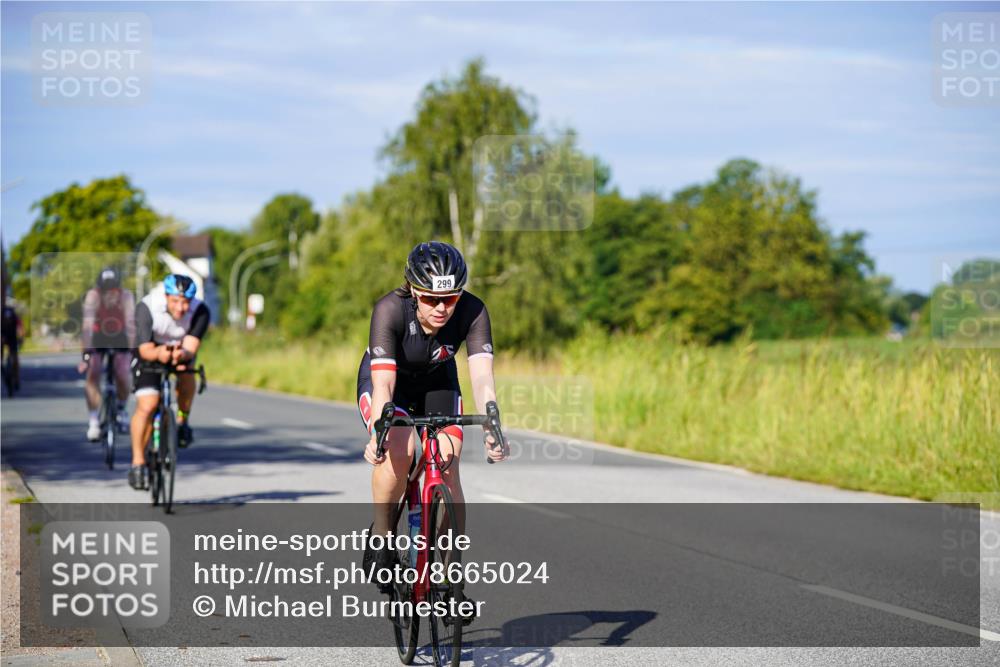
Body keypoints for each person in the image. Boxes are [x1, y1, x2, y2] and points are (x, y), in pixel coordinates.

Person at [359, 241, 509, 574]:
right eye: (430, 298)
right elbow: (383, 384)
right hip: (389, 382)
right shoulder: (390, 309)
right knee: (400, 450)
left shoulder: (474, 311)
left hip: (437, 382)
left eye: (451, 298)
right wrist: (377, 434)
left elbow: (482, 377)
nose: (441, 308)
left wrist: (491, 425)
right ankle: (382, 537)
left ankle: (449, 574)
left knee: (447, 464)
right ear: (413, 290)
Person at [128, 274, 210, 491]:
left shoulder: (200, 311)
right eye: (175, 301)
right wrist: (160, 353)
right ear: (166, 296)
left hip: (179, 349)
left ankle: (182, 421)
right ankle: (137, 463)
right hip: (149, 351)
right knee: (148, 404)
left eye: (185, 302)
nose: (181, 307)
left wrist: (180, 355)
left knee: (186, 372)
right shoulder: (147, 307)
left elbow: (191, 347)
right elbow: (145, 349)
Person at [78, 267, 135, 441]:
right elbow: (87, 328)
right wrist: (86, 356)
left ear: (119, 288)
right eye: (105, 290)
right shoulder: (93, 296)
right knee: (93, 373)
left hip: (120, 336)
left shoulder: (126, 296)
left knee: (123, 373)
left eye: (113, 290)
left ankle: (121, 408)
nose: (110, 294)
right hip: (98, 336)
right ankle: (94, 420)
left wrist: (133, 353)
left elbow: (132, 325)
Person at [1, 299, 22, 392]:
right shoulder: (4, 313)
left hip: (12, 337)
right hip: (4, 337)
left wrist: (20, 336)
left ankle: (16, 379)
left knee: (14, 358)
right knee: (13, 358)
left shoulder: (13, 315)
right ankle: (14, 377)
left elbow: (19, 326)